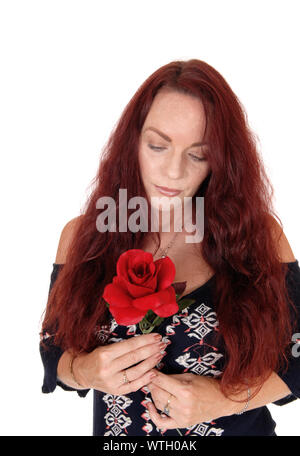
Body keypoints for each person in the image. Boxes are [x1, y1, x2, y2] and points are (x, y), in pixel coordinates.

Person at [40, 59, 300, 436]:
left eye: (198, 153)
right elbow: (53, 348)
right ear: (133, 142)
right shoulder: (83, 238)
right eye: (158, 146)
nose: (174, 172)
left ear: (221, 160)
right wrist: (84, 371)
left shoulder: (259, 237)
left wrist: (224, 400)